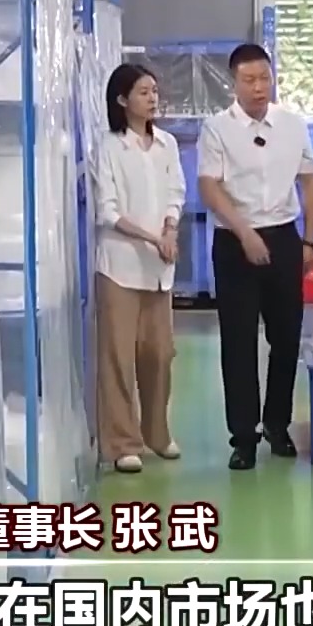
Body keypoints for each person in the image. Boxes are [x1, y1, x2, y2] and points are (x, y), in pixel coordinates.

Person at [197, 43, 313, 470]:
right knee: (239, 341)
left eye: (265, 78)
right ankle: (244, 436)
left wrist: (310, 241)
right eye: (249, 80)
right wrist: (244, 232)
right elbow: (209, 186)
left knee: (287, 338)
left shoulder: (292, 125)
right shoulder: (217, 128)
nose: (258, 87)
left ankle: (277, 424)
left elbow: (310, 182)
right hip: (235, 241)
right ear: (233, 83)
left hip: (284, 237)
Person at [92, 63, 185, 473]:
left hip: (159, 269)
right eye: (143, 92)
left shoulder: (167, 144)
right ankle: (122, 442)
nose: (152, 98)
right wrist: (153, 238)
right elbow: (108, 210)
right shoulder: (109, 147)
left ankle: (156, 434)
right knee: (118, 356)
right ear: (122, 99)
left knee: (159, 353)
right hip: (120, 267)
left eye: (154, 91)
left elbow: (176, 192)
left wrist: (170, 229)